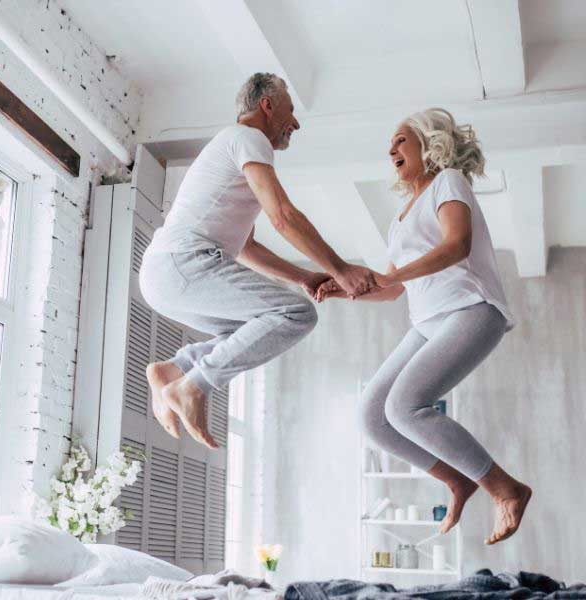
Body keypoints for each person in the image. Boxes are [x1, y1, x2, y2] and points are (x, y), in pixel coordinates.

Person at [316, 108, 532, 545]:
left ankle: (505, 488)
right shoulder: (399, 218)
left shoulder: (448, 181)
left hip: (471, 309)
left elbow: (458, 244)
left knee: (404, 406)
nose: (390, 150)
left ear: (428, 143)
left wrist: (391, 276)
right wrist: (345, 289)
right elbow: (392, 288)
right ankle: (458, 480)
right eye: (390, 145)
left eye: (400, 140)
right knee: (372, 416)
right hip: (427, 321)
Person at [139, 72, 378, 449]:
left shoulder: (233, 148)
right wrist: (340, 269)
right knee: (296, 314)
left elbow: (247, 247)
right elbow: (283, 216)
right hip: (182, 263)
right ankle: (194, 386)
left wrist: (302, 277)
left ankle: (175, 369)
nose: (295, 123)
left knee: (252, 330)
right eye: (291, 111)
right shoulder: (247, 138)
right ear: (267, 105)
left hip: (166, 272)